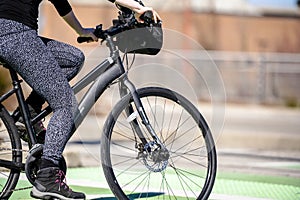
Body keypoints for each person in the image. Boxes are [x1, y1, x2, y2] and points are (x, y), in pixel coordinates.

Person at [0, 0, 161, 199]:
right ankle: (48, 176)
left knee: (73, 58)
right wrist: (137, 8)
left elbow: (61, 5)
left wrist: (82, 31)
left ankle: (29, 114)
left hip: (13, 35)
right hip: (15, 35)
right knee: (66, 104)